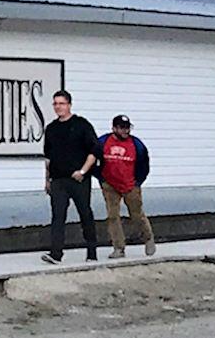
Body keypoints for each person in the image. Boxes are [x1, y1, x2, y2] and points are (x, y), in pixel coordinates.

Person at [41, 88, 100, 264]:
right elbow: (48, 158)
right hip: (58, 180)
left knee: (85, 214)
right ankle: (56, 253)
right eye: (55, 104)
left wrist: (82, 171)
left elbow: (94, 151)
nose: (58, 107)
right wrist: (47, 180)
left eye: (62, 103)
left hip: (78, 180)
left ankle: (91, 252)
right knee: (57, 217)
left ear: (69, 105)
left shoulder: (82, 125)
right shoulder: (51, 129)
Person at [98, 114, 156, 258]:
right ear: (114, 128)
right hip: (110, 185)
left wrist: (137, 183)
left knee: (136, 214)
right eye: (122, 128)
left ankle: (148, 238)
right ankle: (118, 247)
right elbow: (93, 157)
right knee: (113, 216)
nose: (125, 131)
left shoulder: (137, 145)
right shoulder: (103, 142)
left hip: (130, 185)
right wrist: (101, 178)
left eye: (127, 128)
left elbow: (144, 165)